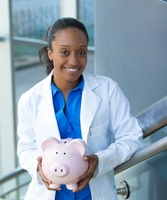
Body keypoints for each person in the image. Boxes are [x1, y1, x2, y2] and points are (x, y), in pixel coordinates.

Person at [17, 17, 143, 200]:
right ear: (50, 53)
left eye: (81, 52)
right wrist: (40, 167)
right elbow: (25, 149)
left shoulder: (108, 90)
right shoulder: (30, 100)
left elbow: (132, 136)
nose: (74, 61)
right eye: (65, 52)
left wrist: (100, 161)